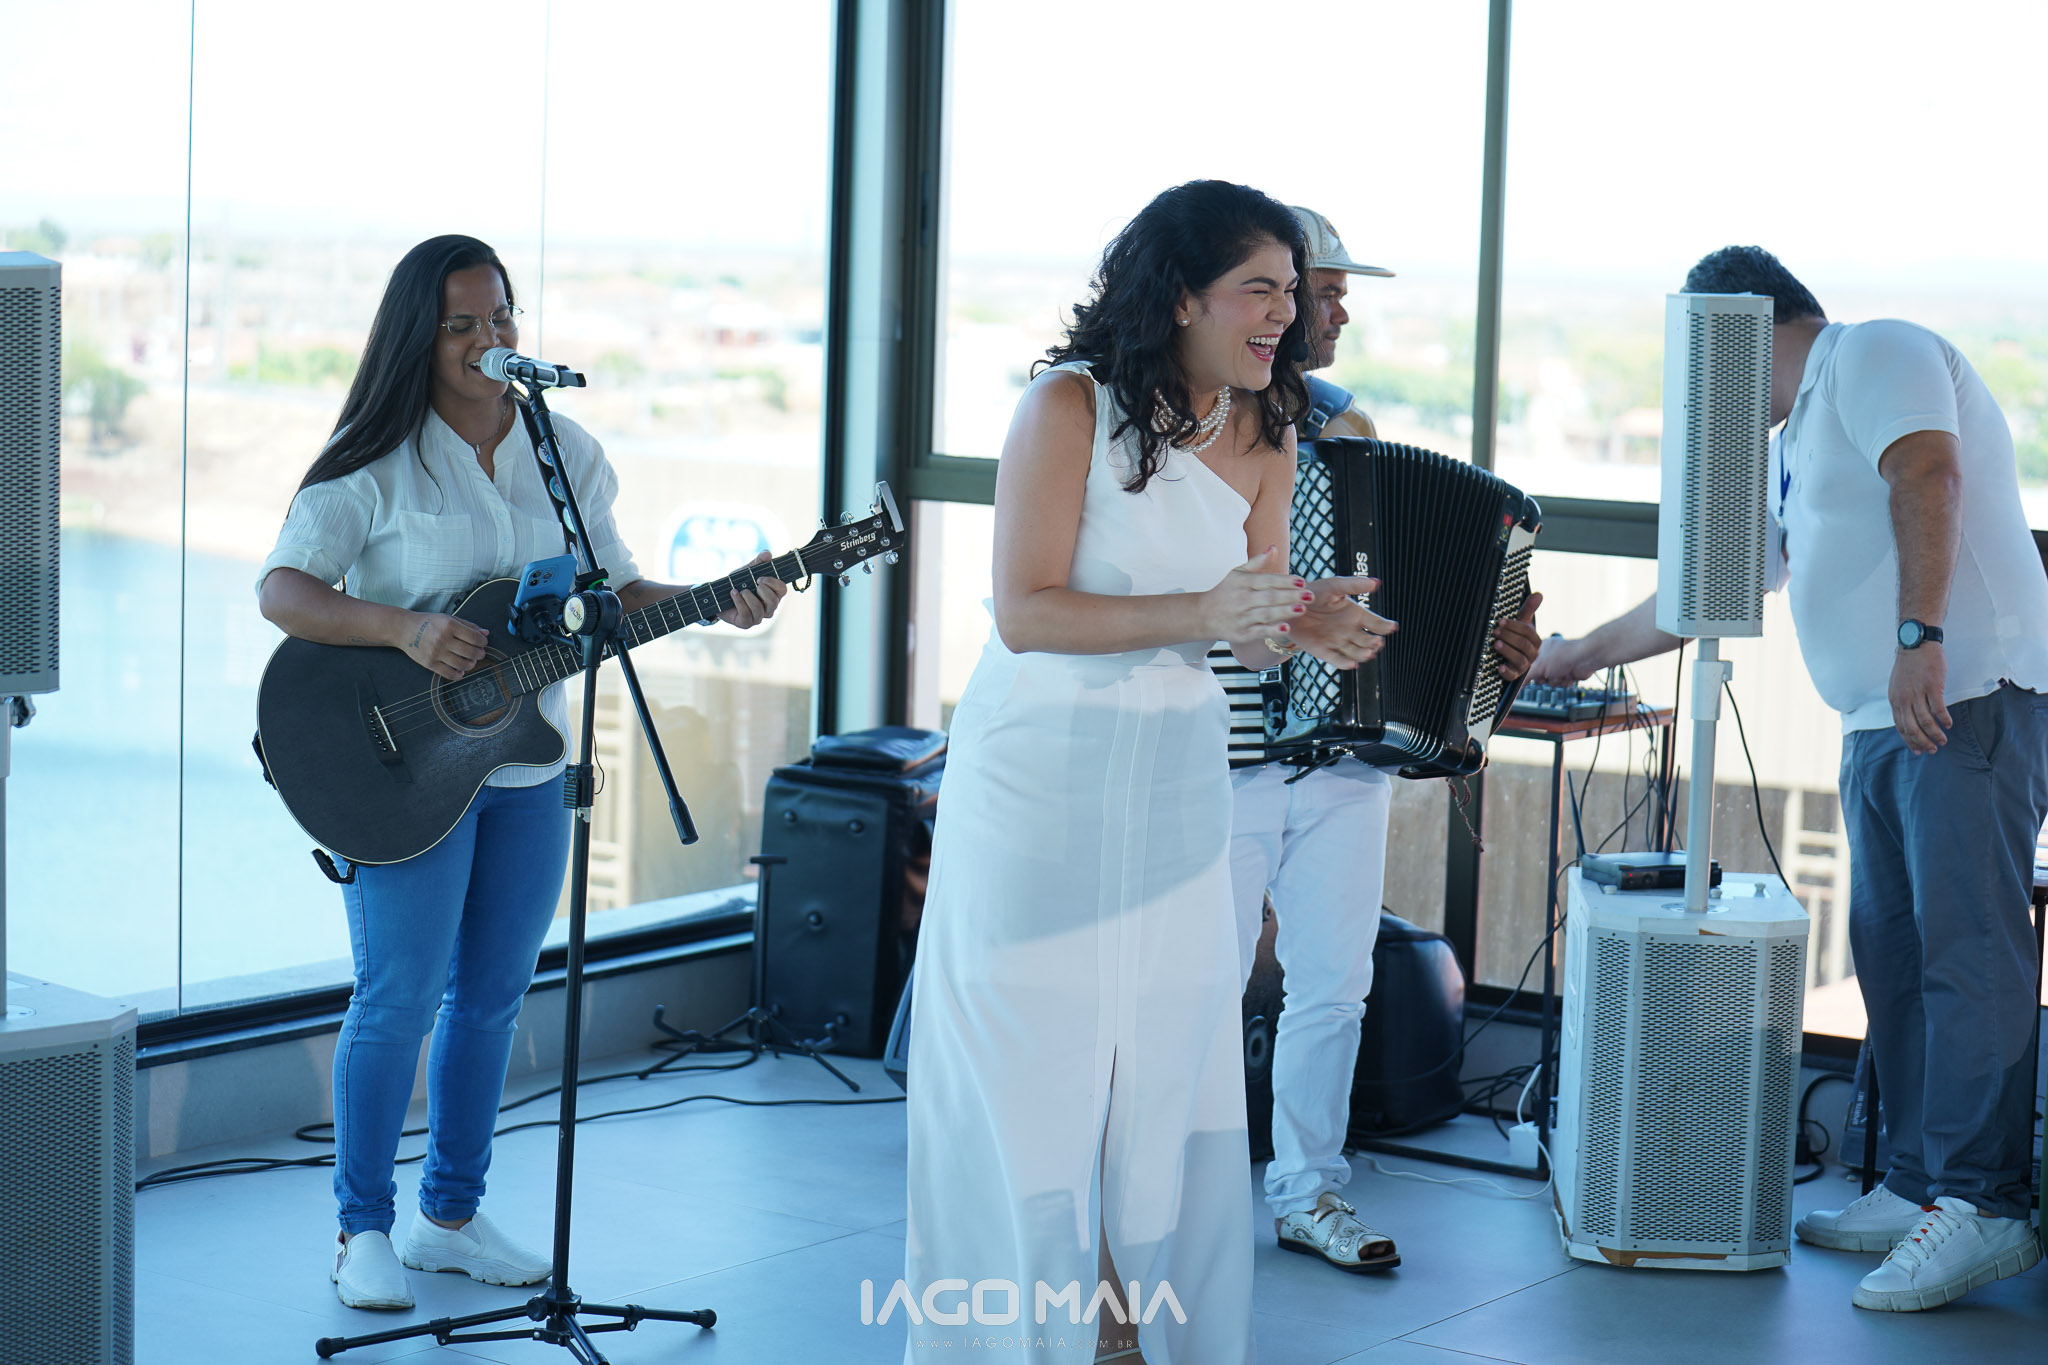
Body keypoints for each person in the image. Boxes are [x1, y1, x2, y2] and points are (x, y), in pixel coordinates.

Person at [902, 181, 1391, 1364]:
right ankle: (1056, 1331)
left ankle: (1128, 1322)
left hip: (1175, 775)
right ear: (1180, 296)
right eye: (1258, 289)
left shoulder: (1269, 428)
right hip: (1038, 774)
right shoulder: (1067, 405)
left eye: (1291, 291)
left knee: (1162, 1064)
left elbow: (1247, 629)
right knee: (1033, 1061)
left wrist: (1303, 621)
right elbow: (1025, 613)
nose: (1285, 313)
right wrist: (1211, 610)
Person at [257, 235, 785, 1311]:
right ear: (419, 337)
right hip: (398, 771)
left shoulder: (565, 451)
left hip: (526, 760)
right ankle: (362, 1229)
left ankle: (448, 1217)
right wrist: (405, 629)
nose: (487, 338)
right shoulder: (374, 460)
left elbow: (615, 593)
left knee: (493, 997)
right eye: (461, 324)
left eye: (501, 317)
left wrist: (714, 599)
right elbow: (285, 591)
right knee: (398, 997)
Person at [1530, 245, 2048, 1313]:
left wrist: (1919, 637)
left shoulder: (1874, 354)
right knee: (1894, 954)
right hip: (1878, 719)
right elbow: (1712, 586)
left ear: (1745, 322)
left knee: (1967, 952)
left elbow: (1928, 475)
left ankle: (1984, 1202)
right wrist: (1571, 657)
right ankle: (1920, 1184)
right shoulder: (1790, 442)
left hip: (1963, 693)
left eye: (1705, 351)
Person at [1215, 207, 1543, 1273]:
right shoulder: (1201, 421)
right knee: (1200, 985)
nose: (1336, 312)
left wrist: (1492, 636)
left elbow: (1394, 587)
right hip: (1227, 750)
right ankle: (1175, 1194)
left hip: (1343, 756)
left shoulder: (1345, 425)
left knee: (1334, 982)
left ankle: (1308, 1190)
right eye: (1324, 291)